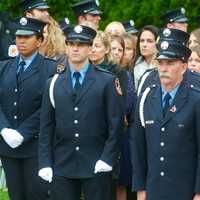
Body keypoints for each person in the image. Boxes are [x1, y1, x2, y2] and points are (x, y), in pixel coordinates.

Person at [38, 24, 124, 200]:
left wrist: (107, 158)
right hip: (63, 163)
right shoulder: (53, 82)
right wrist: (45, 162)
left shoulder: (106, 81)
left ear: (90, 47)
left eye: (82, 44)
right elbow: (46, 127)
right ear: (66, 46)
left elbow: (116, 125)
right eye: (71, 43)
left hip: (96, 162)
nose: (75, 48)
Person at [130, 29, 200, 200]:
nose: (163, 68)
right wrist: (140, 188)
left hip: (184, 190)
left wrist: (198, 192)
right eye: (160, 63)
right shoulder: (147, 97)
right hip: (153, 189)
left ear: (183, 67)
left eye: (170, 63)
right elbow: (138, 145)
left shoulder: (195, 100)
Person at [0, 17, 56, 200]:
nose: (21, 41)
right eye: (18, 36)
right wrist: (3, 128)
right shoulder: (4, 67)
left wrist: (24, 131)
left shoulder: (51, 69)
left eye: (27, 37)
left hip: (36, 146)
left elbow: (49, 107)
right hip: (8, 147)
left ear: (39, 40)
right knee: (16, 195)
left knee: (37, 195)